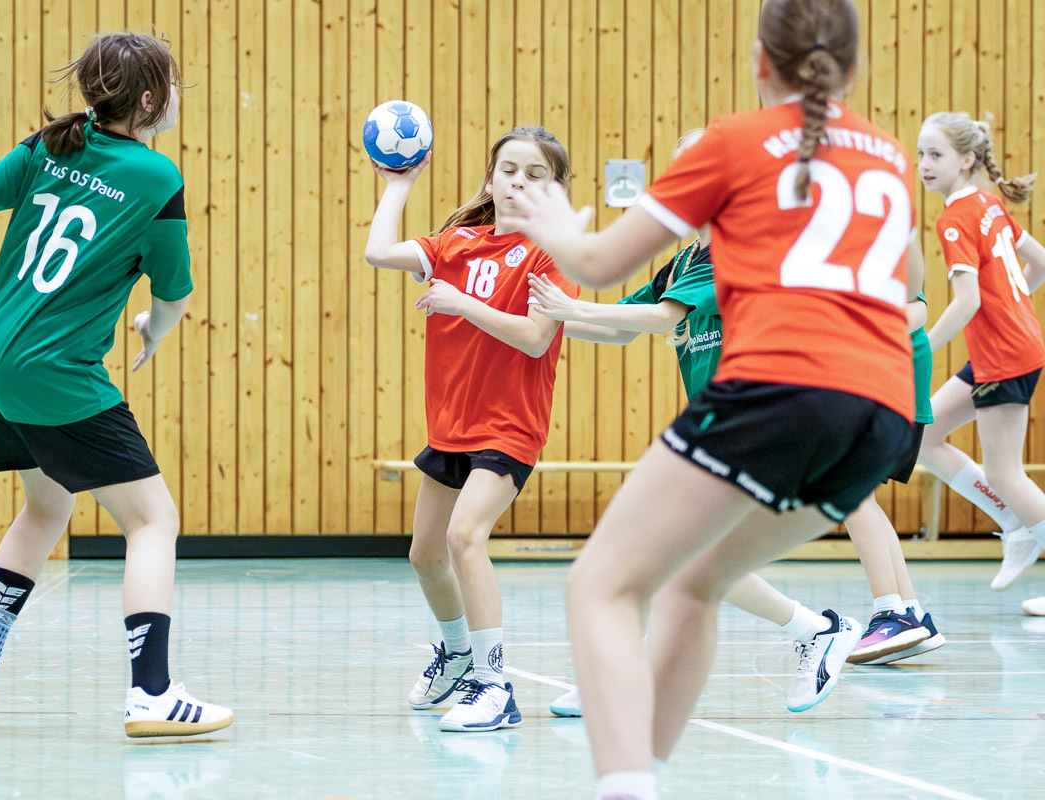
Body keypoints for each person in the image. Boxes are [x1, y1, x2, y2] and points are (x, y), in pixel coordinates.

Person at [502, 2, 920, 798]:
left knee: (600, 585)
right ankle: (646, 773)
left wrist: (550, 222)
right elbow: (905, 286)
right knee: (694, 580)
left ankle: (623, 782)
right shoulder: (891, 158)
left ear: (760, 60)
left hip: (780, 390)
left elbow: (597, 264)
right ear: (853, 68)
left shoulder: (733, 142)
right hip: (884, 411)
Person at [0, 32, 232, 738]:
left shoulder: (51, 144)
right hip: (58, 374)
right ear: (152, 101)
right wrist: (155, 329)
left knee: (46, 506)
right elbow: (175, 289)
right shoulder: (157, 178)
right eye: (174, 87)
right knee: (153, 521)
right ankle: (151, 693)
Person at [531, 131, 862, 715]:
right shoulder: (685, 258)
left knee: (665, 552)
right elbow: (624, 324)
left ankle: (812, 632)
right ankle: (816, 631)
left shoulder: (741, 246)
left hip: (760, 418)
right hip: (717, 424)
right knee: (679, 557)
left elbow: (662, 319)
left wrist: (570, 307)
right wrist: (536, 326)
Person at [363, 127, 579, 732]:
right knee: (426, 555)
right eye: (508, 170)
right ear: (490, 180)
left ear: (555, 190)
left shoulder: (550, 255)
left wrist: (462, 304)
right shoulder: (457, 243)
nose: (518, 182)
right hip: (451, 426)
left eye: (535, 174)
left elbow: (535, 338)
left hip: (509, 427)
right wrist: (398, 185)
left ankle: (495, 686)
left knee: (464, 537)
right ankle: (458, 653)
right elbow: (378, 252)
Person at [915, 111, 1045, 593]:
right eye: (921, 154)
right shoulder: (988, 204)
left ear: (967, 159)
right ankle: (1015, 525)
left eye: (936, 154)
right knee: (924, 436)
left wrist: (921, 348)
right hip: (1007, 349)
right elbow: (1040, 264)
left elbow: (967, 301)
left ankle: (1021, 525)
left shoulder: (955, 219)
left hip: (1006, 356)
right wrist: (1009, 307)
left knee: (1004, 472)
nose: (924, 164)